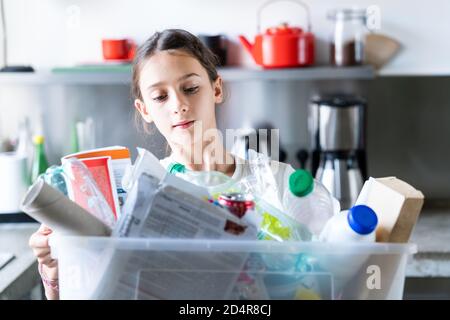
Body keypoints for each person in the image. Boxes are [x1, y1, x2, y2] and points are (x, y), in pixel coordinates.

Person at [29, 29, 295, 300]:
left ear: (216, 89)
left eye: (190, 89)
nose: (178, 104)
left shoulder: (278, 182)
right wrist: (54, 270)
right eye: (159, 97)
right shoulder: (130, 195)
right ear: (144, 110)